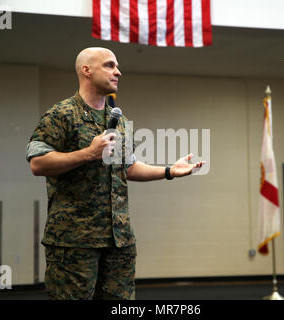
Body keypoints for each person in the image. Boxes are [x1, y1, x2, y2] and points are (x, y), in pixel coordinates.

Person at [26, 47, 205, 300]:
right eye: (109, 65)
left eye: (117, 66)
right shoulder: (61, 114)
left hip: (119, 241)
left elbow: (127, 167)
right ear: (86, 70)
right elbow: (38, 163)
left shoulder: (118, 120)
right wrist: (88, 153)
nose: (118, 72)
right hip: (74, 242)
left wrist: (169, 171)